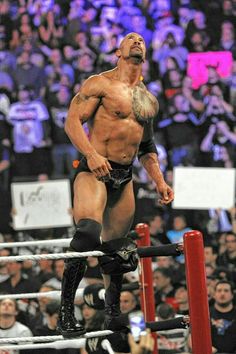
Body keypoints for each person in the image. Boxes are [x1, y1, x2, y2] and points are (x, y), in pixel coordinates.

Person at [57, 32, 174, 338]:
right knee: (87, 235)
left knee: (117, 251)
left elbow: (147, 147)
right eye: (130, 39)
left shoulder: (148, 99)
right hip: (95, 170)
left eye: (142, 40)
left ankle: (112, 314)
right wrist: (91, 154)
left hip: (124, 175)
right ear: (118, 52)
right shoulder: (101, 83)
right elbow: (72, 121)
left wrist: (160, 181)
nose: (138, 42)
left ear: (145, 55)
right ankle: (66, 311)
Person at [210, 280, 236, 353]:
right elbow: (193, 338)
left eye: (226, 290)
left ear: (232, 295)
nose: (222, 293)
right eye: (219, 290)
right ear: (214, 295)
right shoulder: (205, 315)